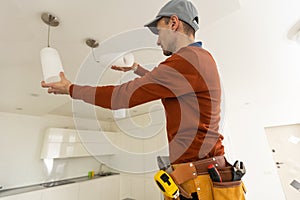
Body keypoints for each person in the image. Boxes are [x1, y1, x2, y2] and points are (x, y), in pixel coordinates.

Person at [42, 0, 231, 199]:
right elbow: (166, 83)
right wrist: (136, 69)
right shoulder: (197, 59)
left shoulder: (187, 60)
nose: (158, 42)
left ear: (173, 23)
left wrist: (71, 89)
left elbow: (121, 97)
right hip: (202, 176)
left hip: (201, 181)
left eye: (159, 32)